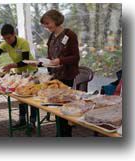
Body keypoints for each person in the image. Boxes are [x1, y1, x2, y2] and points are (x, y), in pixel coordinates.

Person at [40, 9, 80, 137]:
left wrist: (60, 60)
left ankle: (66, 134)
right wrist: (46, 62)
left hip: (66, 76)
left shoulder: (70, 35)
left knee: (63, 106)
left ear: (56, 21)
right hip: (54, 76)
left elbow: (76, 57)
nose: (46, 26)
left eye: (48, 23)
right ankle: (60, 133)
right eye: (44, 24)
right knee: (56, 107)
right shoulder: (52, 36)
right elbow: (50, 54)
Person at [0, 24, 37, 128]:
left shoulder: (23, 42)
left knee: (31, 97)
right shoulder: (5, 44)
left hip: (31, 71)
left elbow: (25, 61)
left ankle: (33, 122)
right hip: (19, 72)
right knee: (19, 95)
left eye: (9, 38)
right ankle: (22, 120)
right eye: (4, 38)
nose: (7, 40)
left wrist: (11, 65)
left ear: (14, 34)